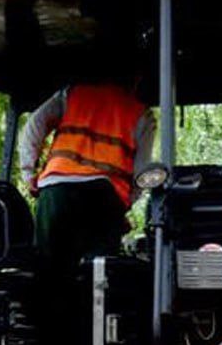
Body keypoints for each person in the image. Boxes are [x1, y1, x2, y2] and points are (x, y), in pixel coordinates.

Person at [19, 78, 155, 273]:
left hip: (57, 189)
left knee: (48, 271)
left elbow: (34, 125)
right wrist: (124, 205)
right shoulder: (142, 113)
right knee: (97, 273)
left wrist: (28, 172)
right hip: (104, 196)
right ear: (136, 80)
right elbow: (142, 171)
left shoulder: (72, 94)